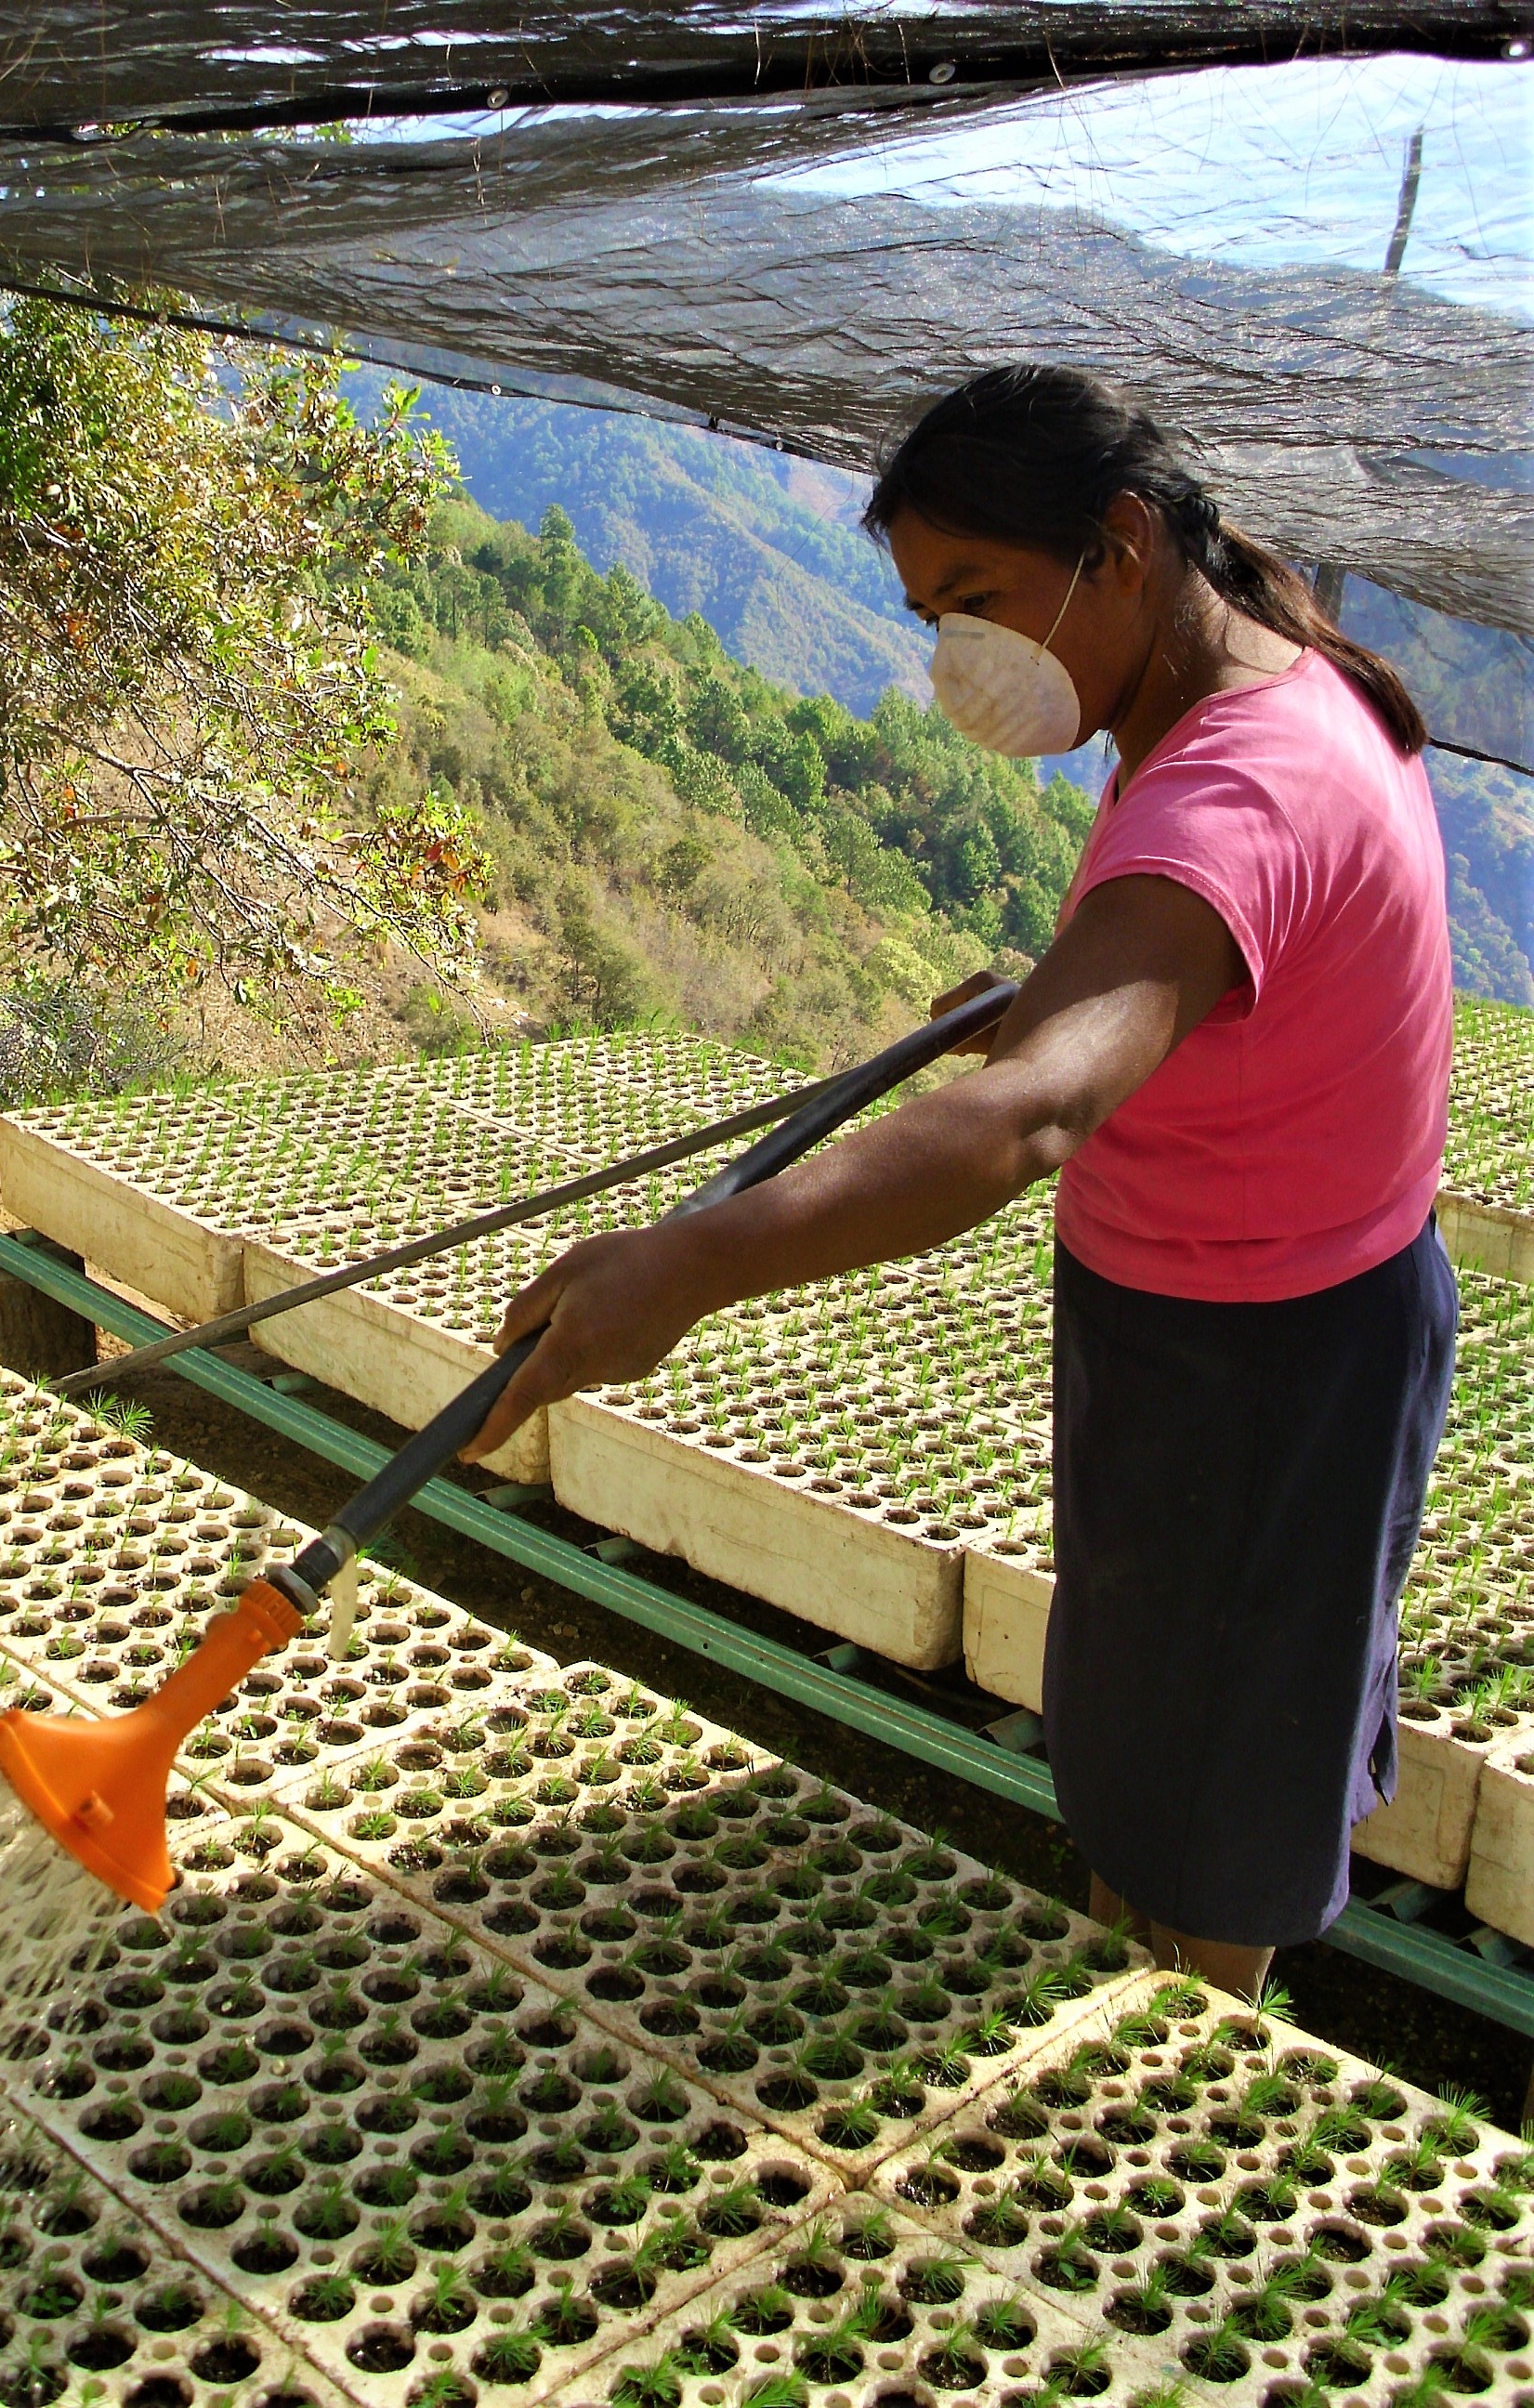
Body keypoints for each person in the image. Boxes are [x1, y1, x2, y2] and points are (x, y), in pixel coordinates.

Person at [460, 363, 1457, 1998]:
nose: (957, 652)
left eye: (980, 597)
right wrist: (1058, 984)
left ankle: (1181, 2071)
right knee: (1158, 1719)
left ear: (1121, 543)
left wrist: (690, 1263)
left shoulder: (1243, 783)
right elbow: (1200, 976)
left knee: (1224, 1783)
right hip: (1209, 1311)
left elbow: (1026, 1123)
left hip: (1273, 1361)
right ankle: (1135, 1950)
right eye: (932, 608)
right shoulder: (1221, 680)